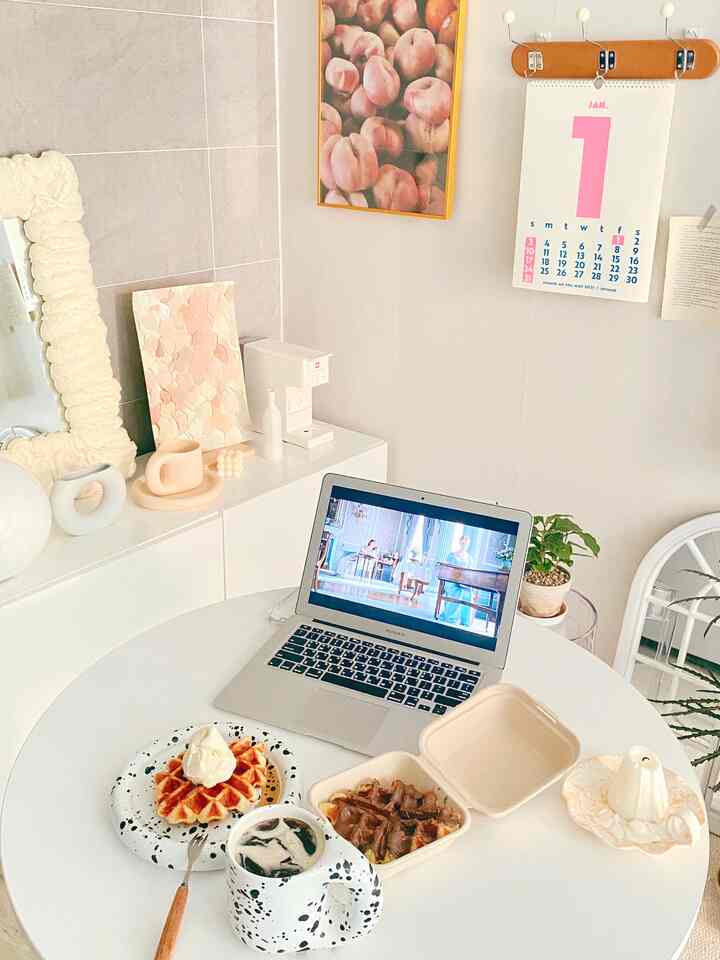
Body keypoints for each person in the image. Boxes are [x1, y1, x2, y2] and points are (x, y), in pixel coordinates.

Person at [439, 534, 474, 627]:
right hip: (451, 581)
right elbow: (446, 569)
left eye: (466, 543)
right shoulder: (452, 555)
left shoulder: (469, 558)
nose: (464, 544)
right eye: (463, 542)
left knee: (468, 593)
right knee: (458, 592)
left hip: (463, 582)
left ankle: (464, 620)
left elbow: (470, 572)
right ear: (460, 542)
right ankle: (451, 617)